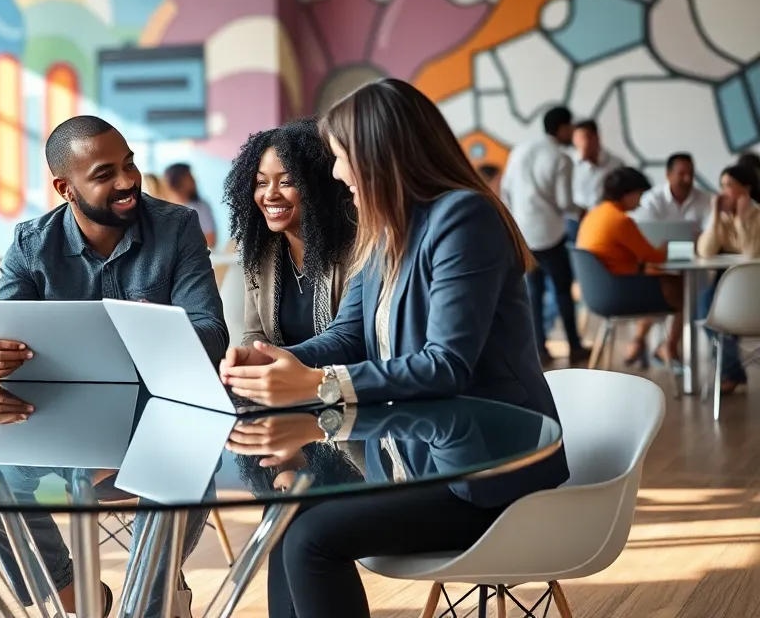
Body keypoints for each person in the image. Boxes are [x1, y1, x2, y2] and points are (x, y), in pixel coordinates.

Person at [218, 78, 568, 618]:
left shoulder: (463, 218)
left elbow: (446, 365)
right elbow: (348, 335)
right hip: (418, 457)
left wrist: (315, 384)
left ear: (381, 155)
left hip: (484, 474)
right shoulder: (384, 232)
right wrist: (279, 360)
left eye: (341, 159)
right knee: (290, 516)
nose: (334, 174)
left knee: (313, 537)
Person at [0, 115, 225, 618]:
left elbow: (211, 332)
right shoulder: (30, 244)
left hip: (157, 416)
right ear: (65, 187)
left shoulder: (177, 227)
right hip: (62, 423)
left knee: (186, 466)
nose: (127, 181)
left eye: (129, 164)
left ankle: (141, 606)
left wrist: (163, 332)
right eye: (105, 174)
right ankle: (76, 597)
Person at [221, 119, 357, 347]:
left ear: (317, 185)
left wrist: (284, 362)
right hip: (278, 378)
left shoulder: (353, 250)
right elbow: (256, 333)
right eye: (261, 183)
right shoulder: (259, 252)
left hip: (334, 379)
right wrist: (245, 359)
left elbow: (349, 339)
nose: (270, 194)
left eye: (286, 181)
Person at [501, 106, 587, 363]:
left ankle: (539, 349)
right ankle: (574, 345)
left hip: (522, 234)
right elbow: (563, 202)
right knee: (562, 291)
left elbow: (505, 190)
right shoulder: (561, 158)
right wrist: (579, 210)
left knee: (532, 294)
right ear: (562, 127)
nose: (571, 133)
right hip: (550, 234)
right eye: (570, 127)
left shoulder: (520, 151)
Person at [575, 167, 682, 366]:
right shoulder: (620, 220)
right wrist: (666, 246)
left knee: (656, 280)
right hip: (619, 294)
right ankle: (668, 347)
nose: (641, 201)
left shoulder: (594, 215)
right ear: (629, 193)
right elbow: (654, 256)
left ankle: (641, 342)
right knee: (680, 289)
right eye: (640, 195)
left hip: (597, 293)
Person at [697, 164, 760, 392]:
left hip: (754, 288)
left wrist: (742, 220)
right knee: (704, 310)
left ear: (746, 190)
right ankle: (732, 371)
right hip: (726, 285)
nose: (723, 192)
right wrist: (714, 216)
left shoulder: (757, 216)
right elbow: (705, 251)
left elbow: (752, 253)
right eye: (722, 186)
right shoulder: (721, 220)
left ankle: (731, 372)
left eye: (729, 186)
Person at [633, 153, 713, 225]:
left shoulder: (706, 200)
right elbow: (647, 230)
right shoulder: (652, 199)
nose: (687, 179)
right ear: (668, 174)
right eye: (682, 174)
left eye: (691, 173)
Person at [570, 120, 623, 222]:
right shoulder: (569, 164)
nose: (582, 143)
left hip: (604, 216)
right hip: (576, 219)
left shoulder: (615, 164)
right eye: (577, 139)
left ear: (596, 137)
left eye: (585, 138)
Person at [163, 162, 217, 247]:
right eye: (189, 176)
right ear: (177, 181)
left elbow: (210, 239)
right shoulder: (164, 207)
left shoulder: (199, 207)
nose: (194, 180)